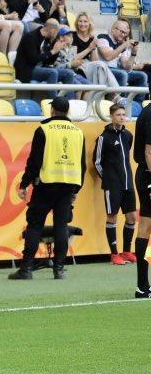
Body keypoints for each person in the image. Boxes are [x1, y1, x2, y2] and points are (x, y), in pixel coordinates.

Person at [9, 96, 86, 280]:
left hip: (45, 185)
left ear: (52, 110)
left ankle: (26, 269)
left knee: (34, 226)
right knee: (61, 226)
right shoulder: (78, 132)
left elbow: (34, 161)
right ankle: (58, 270)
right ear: (67, 111)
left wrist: (24, 183)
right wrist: (76, 189)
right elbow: (81, 165)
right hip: (67, 186)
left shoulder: (43, 129)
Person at [94, 102, 137, 265]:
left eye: (123, 115)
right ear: (111, 116)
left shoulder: (128, 136)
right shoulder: (103, 138)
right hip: (112, 185)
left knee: (131, 216)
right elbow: (97, 162)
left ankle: (126, 251)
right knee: (112, 217)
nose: (121, 117)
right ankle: (114, 254)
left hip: (128, 183)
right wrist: (108, 178)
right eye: (118, 115)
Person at [15, 19, 81, 87]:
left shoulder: (46, 40)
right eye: (56, 31)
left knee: (68, 73)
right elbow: (33, 59)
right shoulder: (31, 37)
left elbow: (49, 62)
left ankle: (65, 98)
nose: (56, 34)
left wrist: (57, 50)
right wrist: (53, 51)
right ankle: (54, 98)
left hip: (41, 68)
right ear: (52, 30)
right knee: (53, 72)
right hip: (27, 70)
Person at [131, 94, 151, 297]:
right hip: (148, 174)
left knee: (145, 228)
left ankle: (143, 285)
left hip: (145, 174)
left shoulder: (146, 112)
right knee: (145, 229)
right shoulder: (150, 113)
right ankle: (142, 285)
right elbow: (149, 152)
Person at [96, 18, 148, 90]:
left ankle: (137, 101)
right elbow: (108, 56)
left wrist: (133, 53)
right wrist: (124, 45)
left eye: (125, 33)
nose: (123, 35)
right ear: (113, 29)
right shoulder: (103, 37)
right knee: (122, 74)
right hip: (103, 70)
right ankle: (121, 100)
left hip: (115, 70)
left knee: (142, 76)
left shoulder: (120, 43)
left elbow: (127, 68)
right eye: (121, 32)